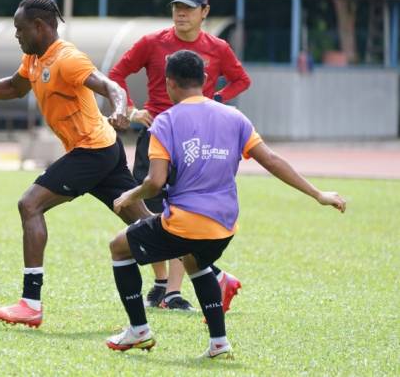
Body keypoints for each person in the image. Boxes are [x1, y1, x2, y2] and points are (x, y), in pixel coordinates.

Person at [106, 50, 346, 357]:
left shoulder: (165, 122)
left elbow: (154, 181)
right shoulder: (235, 117)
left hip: (185, 222)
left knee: (118, 247)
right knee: (195, 259)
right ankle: (218, 343)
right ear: (206, 80)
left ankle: (138, 331)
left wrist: (130, 196)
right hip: (224, 226)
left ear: (168, 84)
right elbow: (271, 160)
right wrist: (318, 194)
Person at [0, 0, 152, 328]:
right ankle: (215, 275)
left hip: (91, 151)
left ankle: (30, 303)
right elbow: (13, 87)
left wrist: (121, 111)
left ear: (39, 27)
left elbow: (112, 88)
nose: (16, 35)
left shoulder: (67, 58)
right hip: (102, 150)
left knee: (30, 204)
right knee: (147, 224)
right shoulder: (35, 59)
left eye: (19, 29)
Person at [109, 0, 252, 311]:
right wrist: (130, 109)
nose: (181, 13)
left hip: (195, 140)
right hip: (157, 135)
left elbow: (241, 80)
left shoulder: (218, 48)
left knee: (182, 212)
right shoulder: (152, 43)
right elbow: (117, 74)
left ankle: (173, 292)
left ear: (205, 12)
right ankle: (165, 281)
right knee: (145, 208)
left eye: (188, 7)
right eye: (176, 6)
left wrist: (217, 100)